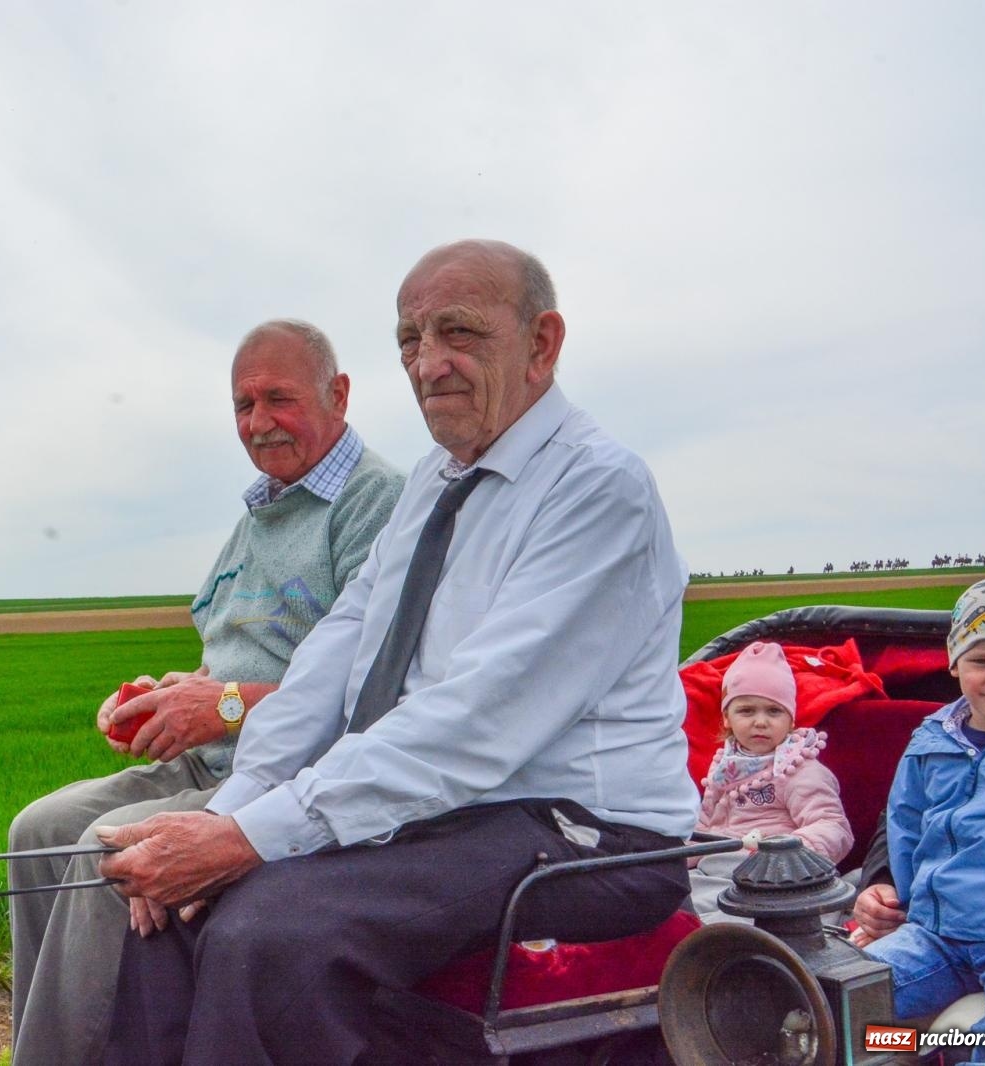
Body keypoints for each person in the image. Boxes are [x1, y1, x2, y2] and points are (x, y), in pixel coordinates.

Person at [94, 239, 699, 1064]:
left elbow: (475, 720)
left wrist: (248, 839)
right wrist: (226, 814)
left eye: (459, 332)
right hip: (451, 812)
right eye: (411, 340)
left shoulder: (598, 489)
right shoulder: (431, 484)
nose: (428, 363)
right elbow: (332, 663)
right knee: (171, 911)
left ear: (542, 343)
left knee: (267, 935)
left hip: (589, 832)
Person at [8, 319, 405, 1065]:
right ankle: (42, 1048)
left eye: (280, 399)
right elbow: (230, 654)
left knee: (105, 852)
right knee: (37, 829)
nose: (259, 422)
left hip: (292, 771)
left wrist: (220, 706)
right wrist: (166, 695)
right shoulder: (261, 510)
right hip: (211, 759)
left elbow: (366, 692)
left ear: (340, 394)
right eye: (243, 405)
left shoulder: (374, 504)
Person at [853, 578, 985, 1061]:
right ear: (954, 662)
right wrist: (889, 893)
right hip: (933, 935)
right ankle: (928, 1048)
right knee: (839, 999)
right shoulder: (930, 740)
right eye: (982, 660)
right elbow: (904, 824)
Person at [689, 641, 852, 919]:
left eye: (773, 711)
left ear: (791, 720)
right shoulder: (726, 765)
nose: (761, 722)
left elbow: (833, 827)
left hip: (774, 882)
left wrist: (781, 855)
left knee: (722, 920)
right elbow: (705, 826)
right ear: (726, 718)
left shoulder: (800, 769)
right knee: (666, 901)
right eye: (747, 711)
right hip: (714, 872)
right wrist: (676, 853)